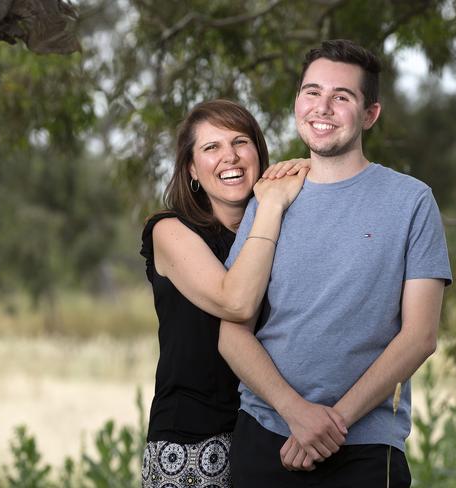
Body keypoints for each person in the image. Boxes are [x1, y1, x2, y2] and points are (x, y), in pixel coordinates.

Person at [219, 39, 452, 487]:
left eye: (341, 97)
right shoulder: (269, 197)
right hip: (265, 435)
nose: (321, 107)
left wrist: (329, 424)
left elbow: (420, 336)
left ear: (369, 115)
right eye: (311, 92)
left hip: (365, 447)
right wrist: (295, 412)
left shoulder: (411, 201)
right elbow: (232, 330)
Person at [139, 99, 308, 488]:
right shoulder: (168, 231)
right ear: (192, 169)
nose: (229, 157)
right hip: (191, 444)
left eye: (240, 142)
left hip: (271, 433)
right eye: (211, 148)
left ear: (258, 153)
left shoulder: (283, 228)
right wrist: (273, 203)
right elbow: (236, 301)